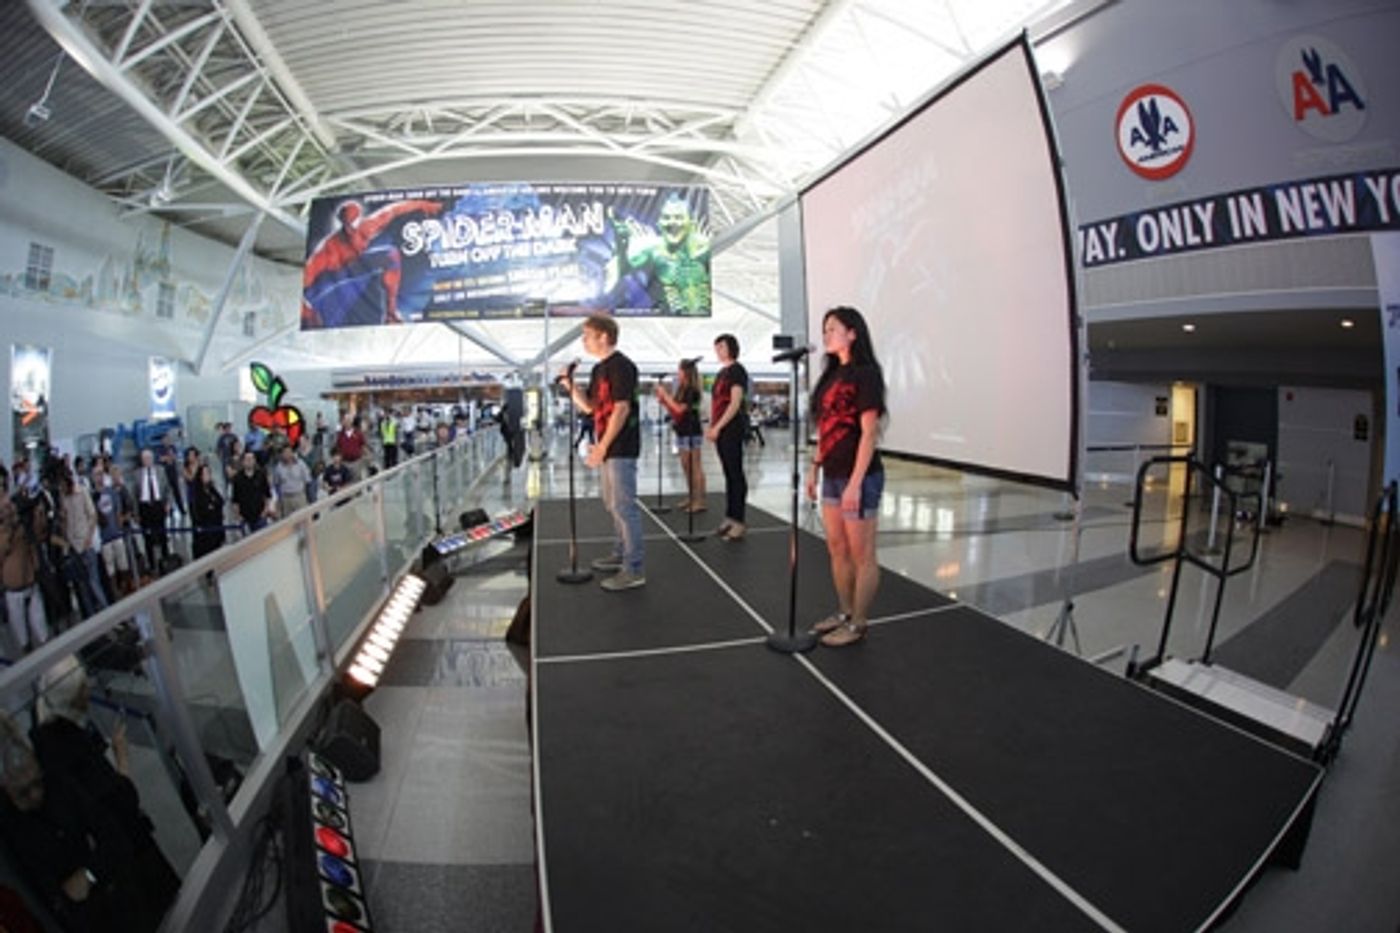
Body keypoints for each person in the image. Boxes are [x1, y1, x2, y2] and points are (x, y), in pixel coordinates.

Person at [0, 711, 177, 932]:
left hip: (120, 900)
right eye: (23, 793)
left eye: (37, 782)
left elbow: (114, 838)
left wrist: (89, 873)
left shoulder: (57, 783)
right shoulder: (8, 827)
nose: (35, 794)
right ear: (5, 788)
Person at [805, 306, 887, 648]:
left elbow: (869, 432)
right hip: (833, 475)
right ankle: (844, 611)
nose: (826, 334)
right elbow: (826, 430)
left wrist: (855, 482)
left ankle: (859, 622)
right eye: (824, 329)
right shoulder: (829, 378)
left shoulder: (865, 374)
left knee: (861, 554)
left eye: (833, 329)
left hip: (861, 477)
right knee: (836, 549)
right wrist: (814, 468)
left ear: (853, 333)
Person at [561, 314, 645, 591]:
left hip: (621, 446)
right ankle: (620, 553)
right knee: (612, 504)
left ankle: (633, 568)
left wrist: (603, 446)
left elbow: (621, 410)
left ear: (604, 337)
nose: (584, 340)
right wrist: (570, 386)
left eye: (587, 334)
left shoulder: (622, 366)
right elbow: (591, 408)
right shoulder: (598, 371)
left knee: (624, 506)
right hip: (607, 445)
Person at [301, 198, 444, 328]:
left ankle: (391, 312)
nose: (358, 237)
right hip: (332, 279)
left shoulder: (367, 227)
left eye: (358, 231)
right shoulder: (327, 250)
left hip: (356, 265)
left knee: (391, 255)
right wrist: (307, 311)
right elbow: (306, 278)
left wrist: (423, 205)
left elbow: (393, 210)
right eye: (350, 231)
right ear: (344, 226)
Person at [605, 195, 711, 315]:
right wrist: (622, 246)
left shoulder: (704, 250)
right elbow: (624, 270)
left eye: (678, 217)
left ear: (691, 222)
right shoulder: (653, 252)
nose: (672, 222)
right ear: (659, 223)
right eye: (666, 217)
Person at [705, 333, 749, 540]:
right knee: (728, 474)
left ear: (732, 347)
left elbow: (734, 403)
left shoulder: (737, 371)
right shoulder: (722, 373)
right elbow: (715, 403)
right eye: (716, 348)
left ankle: (739, 520)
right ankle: (730, 516)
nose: (718, 351)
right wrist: (711, 425)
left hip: (731, 429)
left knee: (735, 474)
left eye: (722, 347)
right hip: (720, 429)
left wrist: (719, 426)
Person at [654, 357, 706, 511]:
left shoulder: (692, 391)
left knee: (694, 466)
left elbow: (680, 409)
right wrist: (663, 399)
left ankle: (700, 500)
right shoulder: (681, 389)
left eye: (680, 370)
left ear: (686, 372)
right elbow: (674, 410)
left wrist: (666, 395)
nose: (678, 373)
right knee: (686, 466)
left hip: (691, 430)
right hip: (682, 430)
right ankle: (692, 497)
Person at [0, 497, 49, 657]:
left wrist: (38, 514)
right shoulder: (3, 533)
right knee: (23, 638)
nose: (9, 511)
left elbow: (40, 535)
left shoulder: (23, 527)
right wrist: (9, 530)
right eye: (5, 509)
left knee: (42, 631)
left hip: (31, 585)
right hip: (13, 591)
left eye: (10, 507)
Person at [58, 470, 107, 619]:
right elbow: (65, 523)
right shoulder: (64, 499)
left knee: (93, 581)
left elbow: (92, 515)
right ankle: (91, 618)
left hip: (86, 543)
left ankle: (106, 613)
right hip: (74, 546)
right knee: (82, 586)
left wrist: (89, 537)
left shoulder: (82, 493)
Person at [132, 449, 172, 574]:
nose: (147, 461)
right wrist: (136, 513)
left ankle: (166, 561)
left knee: (162, 535)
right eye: (145, 459)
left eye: (149, 458)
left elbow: (167, 489)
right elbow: (134, 495)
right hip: (145, 507)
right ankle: (152, 565)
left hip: (158, 506)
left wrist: (168, 504)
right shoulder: (137, 474)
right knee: (148, 538)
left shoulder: (160, 471)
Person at [230, 451, 274, 534]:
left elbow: (267, 494)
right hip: (245, 517)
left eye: (251, 458)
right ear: (242, 462)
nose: (249, 461)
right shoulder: (237, 478)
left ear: (255, 461)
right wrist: (238, 516)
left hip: (260, 515)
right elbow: (235, 500)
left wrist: (265, 511)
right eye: (247, 459)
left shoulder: (261, 475)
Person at [190, 464, 226, 560]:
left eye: (209, 473)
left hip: (217, 528)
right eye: (205, 473)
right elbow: (201, 511)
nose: (208, 476)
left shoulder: (211, 490)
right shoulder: (197, 493)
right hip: (205, 533)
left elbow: (221, 502)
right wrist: (212, 506)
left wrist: (213, 506)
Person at [271, 445, 311, 518]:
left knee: (302, 519)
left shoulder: (300, 464)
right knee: (288, 521)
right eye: (285, 452)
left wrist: (304, 494)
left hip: (299, 496)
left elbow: (307, 479)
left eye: (289, 452)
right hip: (286, 498)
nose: (287, 454)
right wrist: (279, 499)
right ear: (281, 455)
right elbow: (276, 484)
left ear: (292, 453)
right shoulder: (278, 467)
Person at [334, 413, 367, 482]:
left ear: (351, 422)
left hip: (356, 462)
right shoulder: (340, 435)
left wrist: (365, 457)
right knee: (346, 481)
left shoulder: (358, 433)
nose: (346, 422)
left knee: (356, 482)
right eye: (345, 420)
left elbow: (363, 446)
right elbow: (338, 448)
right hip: (344, 462)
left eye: (348, 420)